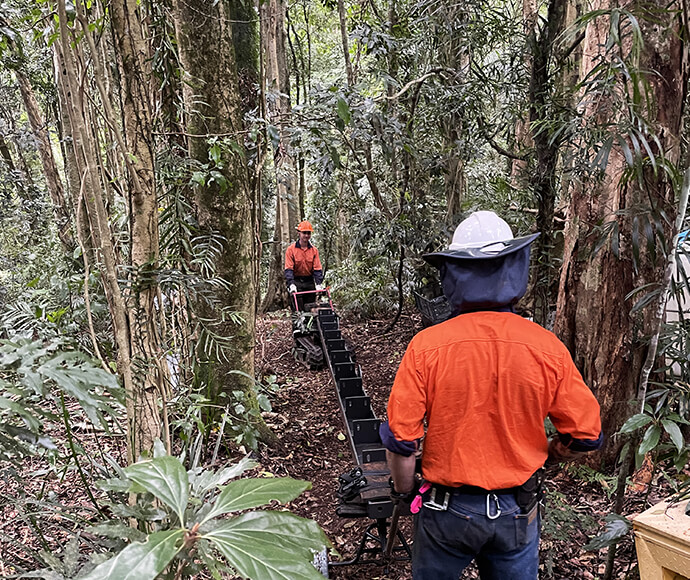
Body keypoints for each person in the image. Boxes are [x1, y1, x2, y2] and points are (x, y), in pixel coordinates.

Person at [380, 211, 603, 579]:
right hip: (517, 509)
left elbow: (401, 440)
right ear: (514, 269)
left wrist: (405, 493)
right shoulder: (546, 347)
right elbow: (586, 435)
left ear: (453, 273)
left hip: (445, 511)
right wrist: (551, 453)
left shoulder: (426, 346)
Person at [284, 220, 324, 311]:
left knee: (310, 309)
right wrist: (291, 284)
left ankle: (310, 325)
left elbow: (317, 269)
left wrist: (318, 284)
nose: (306, 235)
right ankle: (298, 325)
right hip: (296, 281)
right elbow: (288, 269)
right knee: (297, 310)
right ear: (299, 233)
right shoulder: (291, 250)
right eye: (304, 233)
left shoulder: (314, 251)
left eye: (308, 233)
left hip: (309, 281)